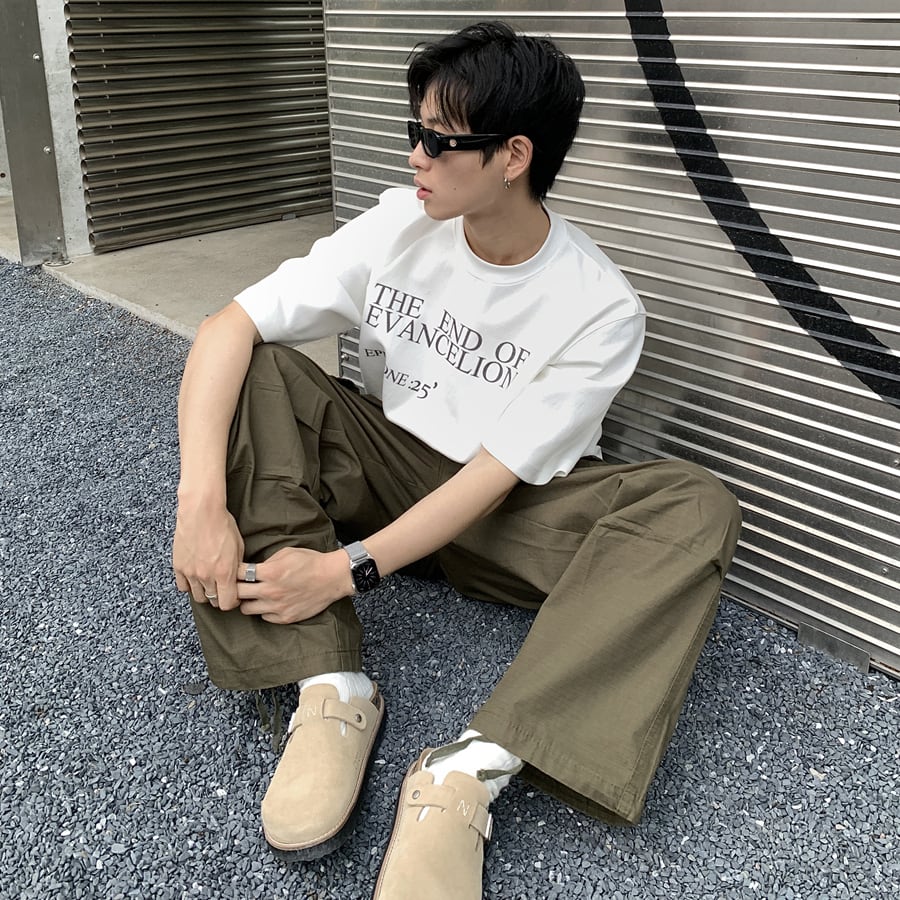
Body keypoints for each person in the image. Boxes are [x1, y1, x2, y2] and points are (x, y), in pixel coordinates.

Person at [172, 20, 741, 900]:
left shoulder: (600, 306)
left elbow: (493, 476)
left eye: (440, 141)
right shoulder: (402, 222)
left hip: (510, 515)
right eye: (416, 131)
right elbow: (227, 326)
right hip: (390, 469)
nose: (416, 157)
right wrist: (199, 504)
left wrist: (343, 570)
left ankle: (470, 770)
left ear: (514, 156)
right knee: (263, 367)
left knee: (695, 505)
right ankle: (327, 683)